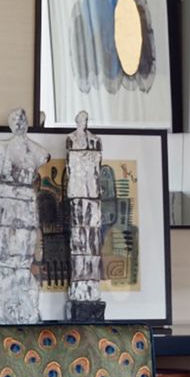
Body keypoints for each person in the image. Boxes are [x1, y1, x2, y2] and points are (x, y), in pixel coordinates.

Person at [0, 109, 50, 324]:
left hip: (25, 203)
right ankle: (2, 306)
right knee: (3, 252)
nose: (18, 123)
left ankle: (25, 306)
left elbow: (43, 156)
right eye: (14, 119)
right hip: (4, 204)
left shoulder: (37, 151)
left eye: (21, 119)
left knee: (23, 252)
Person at [65, 111, 106, 322]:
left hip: (91, 192)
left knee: (92, 242)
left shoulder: (95, 140)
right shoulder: (71, 139)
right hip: (78, 192)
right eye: (80, 119)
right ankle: (80, 288)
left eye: (85, 119)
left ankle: (91, 288)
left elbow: (97, 163)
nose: (83, 122)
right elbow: (71, 165)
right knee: (79, 241)